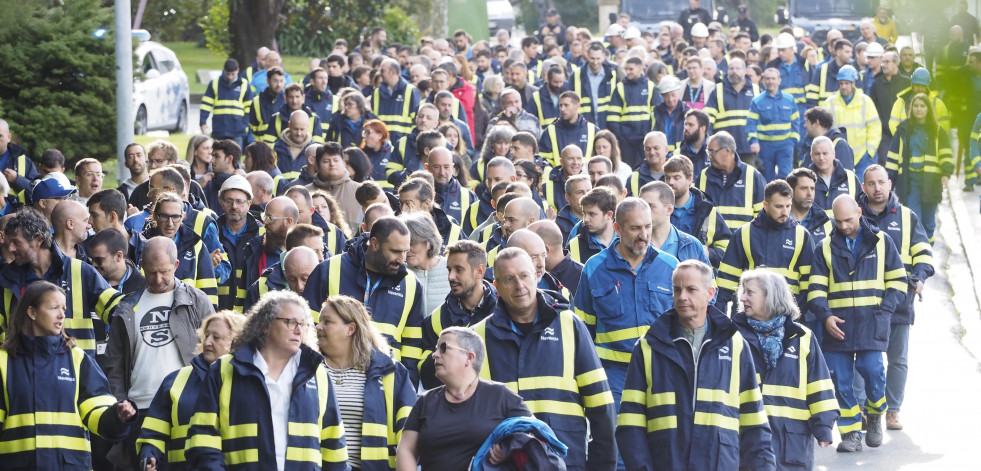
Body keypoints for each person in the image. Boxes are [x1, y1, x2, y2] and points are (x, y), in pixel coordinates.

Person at [616, 260, 775, 470]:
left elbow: (754, 422)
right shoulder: (648, 347)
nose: (682, 297)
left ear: (710, 293)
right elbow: (630, 423)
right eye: (677, 290)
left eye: (691, 289)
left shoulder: (736, 345)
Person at [473, 248, 617, 471]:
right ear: (497, 287)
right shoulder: (479, 336)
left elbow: (601, 407)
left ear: (536, 276)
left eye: (524, 276)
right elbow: (470, 412)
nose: (519, 285)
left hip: (565, 460)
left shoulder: (569, 324)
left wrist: (602, 465)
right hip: (504, 464)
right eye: (509, 279)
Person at [185, 291, 349, 470]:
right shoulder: (224, 369)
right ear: (265, 324)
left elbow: (334, 446)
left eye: (303, 324)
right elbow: (202, 437)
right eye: (291, 322)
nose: (298, 330)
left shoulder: (316, 374)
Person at [103, 236, 215, 467]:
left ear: (176, 266)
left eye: (164, 271)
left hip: (187, 407)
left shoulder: (197, 300)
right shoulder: (126, 306)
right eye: (151, 272)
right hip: (140, 408)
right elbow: (114, 361)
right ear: (141, 264)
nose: (157, 279)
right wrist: (120, 402)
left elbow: (216, 352)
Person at [0, 281, 138, 469]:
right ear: (31, 312)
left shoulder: (78, 359)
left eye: (64, 308)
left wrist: (117, 416)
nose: (62, 315)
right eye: (54, 308)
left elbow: (96, 411)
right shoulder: (3, 361)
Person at [808, 195, 907, 453]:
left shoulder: (882, 242)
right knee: (839, 380)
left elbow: (898, 281)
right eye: (838, 221)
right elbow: (816, 289)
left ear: (859, 212)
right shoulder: (824, 248)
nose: (843, 226)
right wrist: (825, 316)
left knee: (872, 369)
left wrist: (884, 311)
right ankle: (850, 432)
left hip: (871, 323)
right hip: (837, 326)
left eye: (848, 220)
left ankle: (875, 414)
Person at [573, 197, 678, 405]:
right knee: (618, 436)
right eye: (635, 228)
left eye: (648, 226)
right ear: (618, 229)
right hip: (613, 377)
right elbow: (583, 330)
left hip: (662, 371)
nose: (644, 235)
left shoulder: (671, 266)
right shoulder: (594, 268)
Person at [733, 269, 838, 469]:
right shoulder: (732, 336)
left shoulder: (802, 337)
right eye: (743, 292)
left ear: (770, 296)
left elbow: (819, 384)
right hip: (747, 437)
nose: (742, 298)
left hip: (791, 441)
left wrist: (824, 427)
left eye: (750, 292)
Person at [303, 216, 426, 385]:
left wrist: (406, 385)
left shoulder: (411, 283)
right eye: (396, 251)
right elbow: (307, 329)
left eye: (405, 252)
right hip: (331, 379)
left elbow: (413, 345)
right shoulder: (329, 269)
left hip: (386, 382)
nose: (402, 260)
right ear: (374, 243)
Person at [858, 165, 933, 431]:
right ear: (863, 187)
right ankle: (864, 410)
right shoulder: (854, 216)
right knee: (864, 358)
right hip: (864, 301)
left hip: (900, 299)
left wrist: (921, 277)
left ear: (890, 184)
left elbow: (923, 251)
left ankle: (892, 410)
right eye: (871, 183)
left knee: (897, 358)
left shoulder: (907, 216)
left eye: (882, 182)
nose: (877, 188)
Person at [396, 326, 532, 470]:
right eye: (436, 349)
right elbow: (406, 450)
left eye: (443, 348)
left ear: (469, 357)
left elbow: (535, 434)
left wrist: (510, 449)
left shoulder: (500, 396)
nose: (435, 354)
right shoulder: (425, 401)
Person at [0, 208, 122, 357]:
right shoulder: (6, 279)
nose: (10, 248)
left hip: (75, 372)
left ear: (38, 240)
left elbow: (119, 311)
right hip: (24, 373)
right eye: (9, 242)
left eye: (16, 242)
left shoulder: (81, 271)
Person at [316, 295, 417, 470]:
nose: (318, 327)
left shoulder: (391, 372)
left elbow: (410, 434)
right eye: (319, 321)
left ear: (351, 328)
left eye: (327, 321)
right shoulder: (309, 370)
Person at [136, 310, 247, 471]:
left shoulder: (248, 382)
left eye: (216, 337)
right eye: (206, 335)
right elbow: (153, 431)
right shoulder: (175, 380)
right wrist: (149, 454)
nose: (207, 342)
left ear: (237, 342)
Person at [717, 179, 815, 312]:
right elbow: (726, 282)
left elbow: (808, 283)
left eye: (788, 206)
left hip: (786, 314)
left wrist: (797, 314)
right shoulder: (744, 233)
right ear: (765, 205)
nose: (785, 212)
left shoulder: (802, 235)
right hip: (750, 313)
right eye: (779, 206)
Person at [886, 93, 953, 242]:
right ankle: (917, 253)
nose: (919, 109)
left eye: (922, 106)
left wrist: (946, 174)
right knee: (913, 218)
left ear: (928, 109)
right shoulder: (903, 129)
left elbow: (945, 154)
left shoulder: (937, 130)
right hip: (910, 181)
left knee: (929, 221)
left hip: (931, 181)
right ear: (911, 108)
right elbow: (893, 156)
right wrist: (889, 179)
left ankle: (928, 252)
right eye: (916, 106)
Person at [142, 193, 219, 308]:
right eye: (164, 216)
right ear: (154, 216)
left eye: (175, 217)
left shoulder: (195, 245)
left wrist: (208, 322)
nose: (170, 223)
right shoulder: (141, 244)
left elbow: (208, 291)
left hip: (188, 314)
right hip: (150, 312)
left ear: (182, 217)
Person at [663, 156, 731, 268]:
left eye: (676, 177)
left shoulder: (708, 212)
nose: (670, 182)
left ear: (689, 180)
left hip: (698, 279)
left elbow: (728, 250)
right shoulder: (657, 211)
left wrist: (710, 253)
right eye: (667, 178)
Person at [696, 131, 766, 230]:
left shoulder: (753, 175)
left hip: (742, 243)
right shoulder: (703, 176)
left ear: (727, 151)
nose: (709, 156)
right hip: (711, 245)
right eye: (708, 151)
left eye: (711, 151)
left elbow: (761, 216)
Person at [824, 65, 881, 178]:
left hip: (862, 157)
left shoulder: (865, 101)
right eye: (841, 83)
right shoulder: (829, 103)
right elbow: (824, 130)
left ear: (853, 83)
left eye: (846, 83)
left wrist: (869, 151)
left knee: (862, 191)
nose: (843, 86)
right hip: (838, 156)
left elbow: (874, 127)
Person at [748, 68, 800, 181]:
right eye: (767, 79)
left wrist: (793, 140)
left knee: (786, 178)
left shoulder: (789, 99)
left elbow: (796, 121)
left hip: (785, 145)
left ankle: (785, 199)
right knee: (766, 178)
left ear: (779, 81)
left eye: (773, 78)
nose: (770, 81)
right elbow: (751, 123)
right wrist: (754, 142)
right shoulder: (757, 101)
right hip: (765, 146)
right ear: (763, 81)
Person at [608, 58, 656, 167]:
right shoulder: (620, 87)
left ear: (640, 69)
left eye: (631, 69)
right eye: (626, 69)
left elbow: (657, 113)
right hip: (626, 141)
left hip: (645, 138)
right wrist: (620, 137)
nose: (627, 72)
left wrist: (651, 133)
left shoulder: (649, 86)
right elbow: (612, 116)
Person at [403, 212, 451, 316]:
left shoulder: (451, 269)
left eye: (412, 243)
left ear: (429, 243)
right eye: (404, 244)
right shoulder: (400, 272)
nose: (407, 249)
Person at [200, 59, 253, 150]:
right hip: (219, 129)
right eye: (227, 74)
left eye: (233, 74)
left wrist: (244, 123)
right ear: (224, 70)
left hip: (238, 130)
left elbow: (249, 107)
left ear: (238, 70)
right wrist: (203, 122)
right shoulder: (215, 83)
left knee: (235, 160)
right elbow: (206, 104)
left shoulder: (244, 85)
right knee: (217, 158)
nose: (230, 77)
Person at [870, 51, 912, 165]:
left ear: (896, 63)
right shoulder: (876, 84)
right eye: (882, 62)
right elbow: (872, 109)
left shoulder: (907, 83)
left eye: (887, 62)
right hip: (885, 134)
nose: (883, 65)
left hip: (905, 131)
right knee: (886, 162)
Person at [307, 142, 363, 228]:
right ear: (317, 166)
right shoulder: (306, 193)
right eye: (326, 161)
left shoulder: (359, 190)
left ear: (343, 163)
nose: (332, 164)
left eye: (336, 160)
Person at [537, 91, 598, 167]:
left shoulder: (593, 130)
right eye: (560, 105)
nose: (562, 109)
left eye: (566, 105)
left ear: (577, 106)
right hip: (557, 178)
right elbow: (544, 161)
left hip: (587, 178)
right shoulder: (550, 131)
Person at [370, 59, 422, 143]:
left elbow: (417, 121)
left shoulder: (411, 91)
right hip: (381, 145)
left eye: (382, 70)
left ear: (392, 72)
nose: (380, 73)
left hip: (404, 145)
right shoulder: (376, 93)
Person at [807, 136, 861, 213]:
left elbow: (862, 207)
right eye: (817, 154)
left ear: (833, 154)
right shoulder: (805, 180)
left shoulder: (850, 178)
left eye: (825, 153)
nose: (821, 158)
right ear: (812, 156)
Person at [571, 42, 616, 129]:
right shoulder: (576, 75)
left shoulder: (612, 75)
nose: (595, 62)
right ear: (587, 56)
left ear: (603, 56)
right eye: (592, 58)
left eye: (598, 58)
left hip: (607, 125)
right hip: (583, 125)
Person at [568, 187, 617, 264]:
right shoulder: (574, 245)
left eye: (592, 214)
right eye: (584, 213)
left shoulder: (627, 240)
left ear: (609, 215)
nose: (586, 219)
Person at [786, 168, 832, 246]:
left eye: (812, 189)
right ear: (790, 191)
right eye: (804, 188)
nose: (809, 193)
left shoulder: (827, 222)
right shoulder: (778, 220)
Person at [807, 39, 852, 107]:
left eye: (851, 52)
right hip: (825, 115)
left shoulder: (853, 71)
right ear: (838, 52)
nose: (850, 55)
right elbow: (812, 97)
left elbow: (859, 95)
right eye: (847, 52)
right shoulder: (822, 70)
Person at [653, 75, 690, 154]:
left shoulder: (687, 112)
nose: (670, 99)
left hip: (681, 154)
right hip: (660, 154)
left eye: (673, 95)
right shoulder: (656, 112)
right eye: (666, 96)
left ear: (679, 93)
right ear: (662, 96)